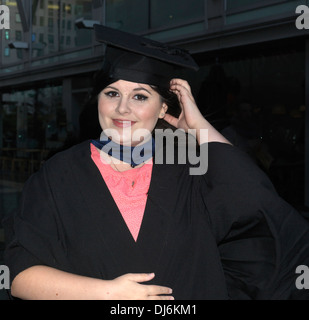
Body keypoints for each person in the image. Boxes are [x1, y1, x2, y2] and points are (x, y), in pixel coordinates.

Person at [3, 25, 309, 300]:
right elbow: (19, 274)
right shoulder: (60, 174)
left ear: (163, 108)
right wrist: (108, 294)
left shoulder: (188, 166)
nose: (122, 108)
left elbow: (256, 202)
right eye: (112, 93)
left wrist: (198, 126)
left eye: (140, 96)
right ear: (98, 99)